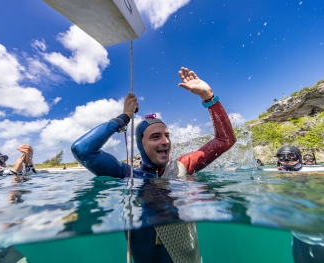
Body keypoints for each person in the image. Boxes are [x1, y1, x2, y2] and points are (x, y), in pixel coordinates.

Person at [71, 67, 236, 262]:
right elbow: (82, 149)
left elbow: (225, 140)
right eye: (155, 137)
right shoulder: (127, 175)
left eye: (167, 136)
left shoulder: (181, 167)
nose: (165, 141)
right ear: (141, 145)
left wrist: (209, 98)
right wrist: (124, 117)